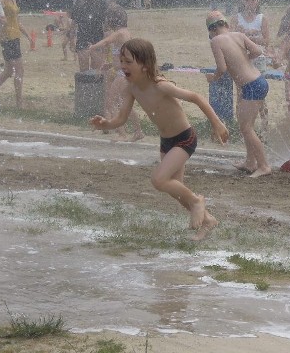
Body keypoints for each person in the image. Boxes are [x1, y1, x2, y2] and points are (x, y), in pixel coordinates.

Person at [90, 38, 228, 241]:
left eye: (128, 62)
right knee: (178, 192)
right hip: (166, 142)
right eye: (122, 61)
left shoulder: (161, 86)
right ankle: (208, 221)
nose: (123, 66)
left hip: (184, 139)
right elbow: (121, 119)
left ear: (144, 65)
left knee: (159, 180)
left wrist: (217, 123)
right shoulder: (132, 89)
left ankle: (198, 202)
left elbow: (196, 97)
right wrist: (106, 124)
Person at [205, 10, 271, 178]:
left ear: (211, 31)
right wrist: (244, 59)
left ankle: (263, 165)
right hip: (258, 81)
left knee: (246, 127)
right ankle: (250, 162)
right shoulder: (239, 35)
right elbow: (257, 51)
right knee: (245, 125)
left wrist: (213, 77)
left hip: (251, 85)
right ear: (226, 25)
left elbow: (222, 68)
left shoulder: (216, 41)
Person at [89, 5, 144, 142]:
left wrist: (93, 47)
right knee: (124, 104)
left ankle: (122, 134)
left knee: (111, 102)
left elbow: (107, 41)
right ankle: (138, 131)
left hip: (123, 74)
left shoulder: (120, 33)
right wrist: (111, 65)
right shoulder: (125, 33)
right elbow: (124, 56)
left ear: (113, 20)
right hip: (125, 72)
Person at [229, 0, 271, 131]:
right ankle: (241, 128)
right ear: (242, 1)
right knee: (240, 94)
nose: (250, 3)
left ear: (257, 1)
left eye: (252, 0)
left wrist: (253, 36)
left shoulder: (261, 19)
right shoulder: (236, 18)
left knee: (260, 95)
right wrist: (238, 33)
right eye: (247, 0)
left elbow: (267, 41)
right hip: (240, 60)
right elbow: (228, 39)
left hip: (258, 60)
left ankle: (264, 128)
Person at [0, 0, 30, 109]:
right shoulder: (0, 1)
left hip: (15, 36)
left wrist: (27, 35)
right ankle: (19, 102)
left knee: (9, 71)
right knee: (19, 70)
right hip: (7, 37)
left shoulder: (13, 1)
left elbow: (17, 21)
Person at [70, 0, 107, 72]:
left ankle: (96, 87)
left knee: (97, 71)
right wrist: (71, 40)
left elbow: (106, 25)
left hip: (98, 39)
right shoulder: (78, 4)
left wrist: (106, 43)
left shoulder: (102, 4)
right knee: (83, 71)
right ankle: (84, 86)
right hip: (82, 39)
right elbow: (74, 24)